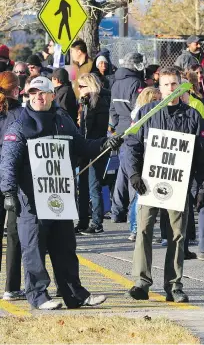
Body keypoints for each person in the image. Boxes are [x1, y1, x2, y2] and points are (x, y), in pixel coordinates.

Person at [0, 75, 121, 310]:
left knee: (65, 248)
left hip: (60, 197)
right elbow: (8, 162)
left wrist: (104, 144)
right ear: (27, 96)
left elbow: (82, 146)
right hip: (32, 201)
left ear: (52, 95)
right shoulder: (19, 124)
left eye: (42, 92)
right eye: (32, 93)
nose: (38, 97)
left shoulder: (63, 120)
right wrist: (8, 192)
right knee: (34, 249)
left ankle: (75, 295)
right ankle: (38, 296)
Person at [125, 67, 204, 302]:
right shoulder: (146, 113)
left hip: (179, 185)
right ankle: (142, 282)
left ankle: (174, 285)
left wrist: (202, 186)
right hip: (148, 183)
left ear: (182, 85)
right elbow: (131, 146)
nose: (171, 89)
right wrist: (133, 174)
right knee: (143, 230)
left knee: (177, 234)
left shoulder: (193, 117)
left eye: (175, 84)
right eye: (166, 85)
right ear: (159, 87)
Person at [110, 52, 146, 223]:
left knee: (123, 173)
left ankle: (117, 211)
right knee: (133, 172)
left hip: (120, 131)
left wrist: (116, 128)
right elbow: (137, 109)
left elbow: (113, 111)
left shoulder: (116, 83)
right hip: (133, 130)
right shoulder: (136, 82)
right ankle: (134, 215)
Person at [76, 73, 111, 235]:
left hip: (97, 146)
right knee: (82, 185)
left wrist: (88, 108)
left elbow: (97, 128)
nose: (79, 89)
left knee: (93, 185)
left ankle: (97, 222)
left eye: (81, 86)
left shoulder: (100, 102)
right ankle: (82, 220)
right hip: (84, 146)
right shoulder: (85, 102)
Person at [0, 71, 24, 301]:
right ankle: (11, 287)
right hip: (14, 180)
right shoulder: (21, 115)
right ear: (17, 89)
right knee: (14, 235)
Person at [128, 87, 161, 242]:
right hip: (142, 158)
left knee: (141, 195)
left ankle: (136, 228)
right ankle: (135, 228)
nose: (158, 102)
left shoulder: (140, 112)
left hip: (147, 157)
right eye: (154, 99)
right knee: (140, 195)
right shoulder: (143, 113)